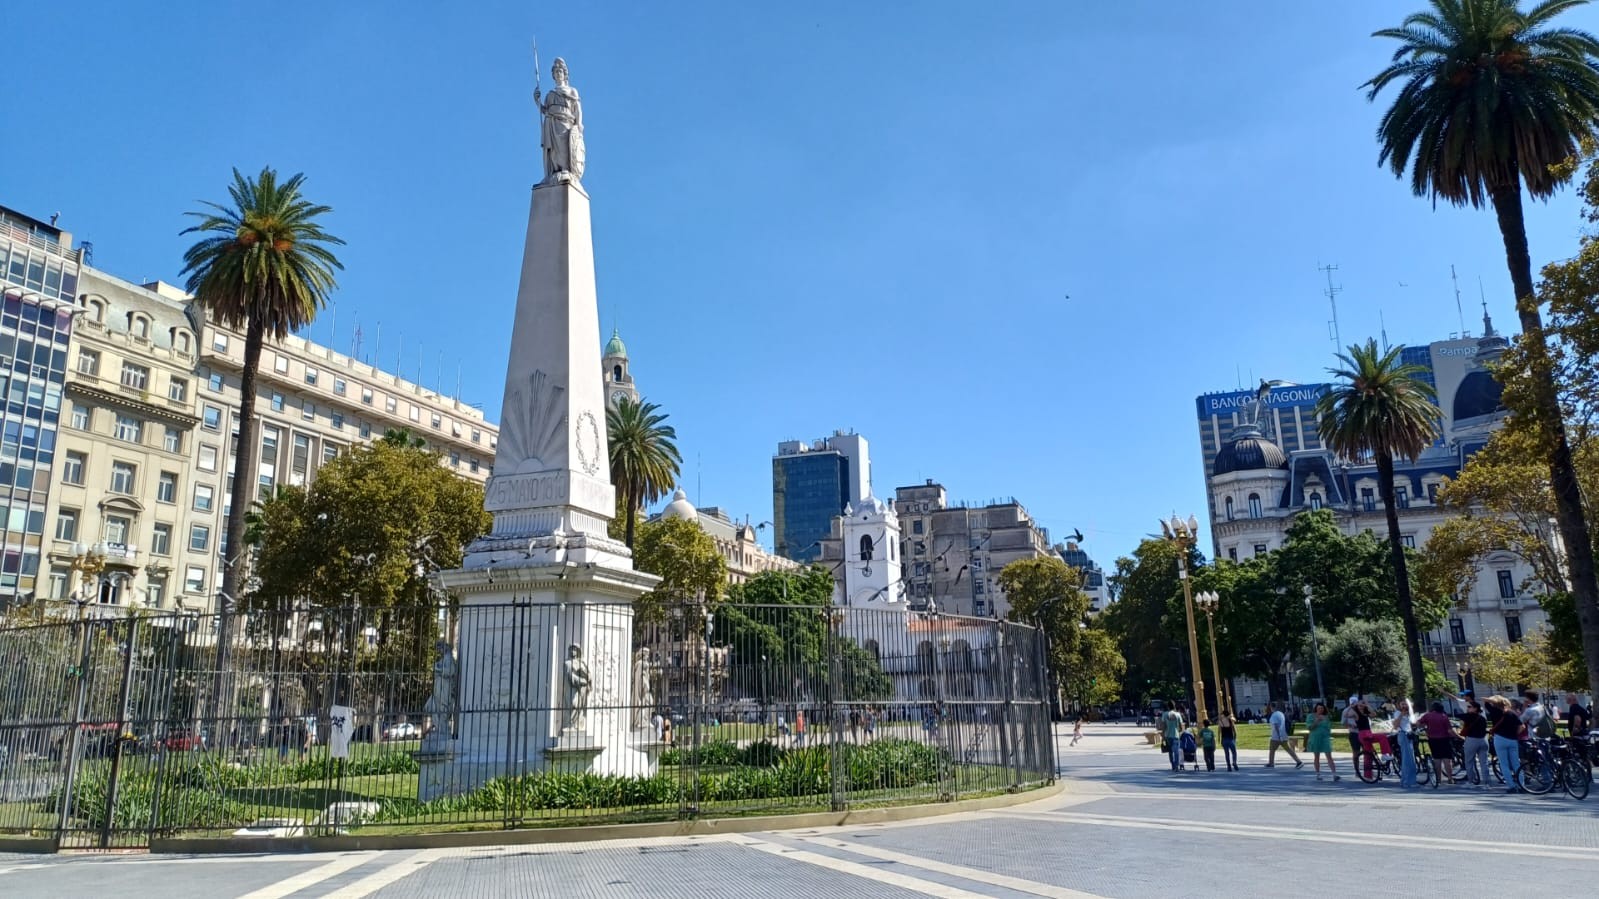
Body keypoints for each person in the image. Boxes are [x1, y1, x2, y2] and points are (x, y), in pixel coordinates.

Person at [1486, 695, 1522, 793]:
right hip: (1512, 739)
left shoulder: (1494, 712)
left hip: (1500, 738)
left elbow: (1485, 700)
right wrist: (1515, 734)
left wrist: (1494, 699)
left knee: (1504, 764)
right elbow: (1521, 726)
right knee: (1516, 763)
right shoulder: (1512, 713)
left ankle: (1511, 786)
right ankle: (1521, 785)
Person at [1418, 701, 1458, 785]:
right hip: (1444, 739)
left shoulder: (1427, 715)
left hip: (1432, 739)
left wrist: (1425, 727)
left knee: (1437, 759)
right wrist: (1457, 736)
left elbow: (1418, 723)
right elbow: (1449, 730)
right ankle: (1450, 778)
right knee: (1447, 759)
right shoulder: (1444, 716)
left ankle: (1439, 779)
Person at [1459, 698, 1490, 789]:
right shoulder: (1483, 718)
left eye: (1469, 707)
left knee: (1469, 761)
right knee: (1484, 762)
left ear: (1475, 708)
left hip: (1472, 740)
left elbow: (1459, 715)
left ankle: (1471, 781)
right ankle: (1486, 783)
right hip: (1483, 740)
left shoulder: (1469, 716)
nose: (1468, 708)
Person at [1306, 703, 1339, 782]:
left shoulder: (1326, 717)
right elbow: (1309, 727)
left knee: (1329, 756)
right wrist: (1316, 721)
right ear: (1316, 708)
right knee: (1317, 756)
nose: (1320, 710)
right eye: (1319, 708)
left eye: (1322, 708)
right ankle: (1318, 774)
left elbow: (1328, 728)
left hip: (1325, 738)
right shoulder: (1311, 716)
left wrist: (1328, 735)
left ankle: (1334, 774)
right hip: (1315, 738)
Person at [1264, 703, 1303, 769]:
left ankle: (1271, 763)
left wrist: (1279, 736)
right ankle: (1299, 761)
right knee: (1288, 749)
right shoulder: (1281, 714)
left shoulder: (1274, 715)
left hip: (1276, 736)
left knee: (1272, 749)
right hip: (1284, 734)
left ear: (1271, 707)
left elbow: (1276, 726)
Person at [1392, 698, 1418, 788]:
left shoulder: (1409, 713)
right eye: (1402, 704)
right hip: (1403, 735)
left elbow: (1413, 724)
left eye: (1405, 704)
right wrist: (1401, 716)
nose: (1404, 706)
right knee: (1407, 760)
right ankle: (1406, 781)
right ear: (1399, 705)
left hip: (1409, 735)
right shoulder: (1398, 713)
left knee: (1411, 759)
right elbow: (1395, 726)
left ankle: (1411, 780)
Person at [1162, 704, 1186, 772]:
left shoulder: (1165, 714)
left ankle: (1172, 765)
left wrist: (1163, 736)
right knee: (1176, 751)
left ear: (1168, 707)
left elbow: (1163, 726)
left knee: (1170, 752)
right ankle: (1176, 766)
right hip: (1176, 735)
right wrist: (1181, 732)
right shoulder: (1178, 714)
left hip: (1167, 735)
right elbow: (1182, 726)